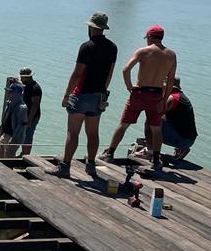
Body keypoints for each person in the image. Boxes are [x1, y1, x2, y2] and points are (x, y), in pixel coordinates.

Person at [101, 25, 177, 172]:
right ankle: (155, 159)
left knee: (123, 124)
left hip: (140, 93)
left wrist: (129, 87)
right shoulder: (171, 55)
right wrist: (164, 98)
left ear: (149, 36)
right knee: (156, 128)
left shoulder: (143, 51)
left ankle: (109, 153)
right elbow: (171, 79)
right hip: (157, 94)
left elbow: (126, 69)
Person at [58, 11, 118, 178]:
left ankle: (65, 167)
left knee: (72, 132)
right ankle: (90, 165)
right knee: (93, 133)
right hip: (98, 95)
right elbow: (110, 73)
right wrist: (103, 93)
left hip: (81, 94)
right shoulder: (112, 47)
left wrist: (66, 95)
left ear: (91, 27)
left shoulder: (86, 46)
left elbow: (77, 74)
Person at [161, 77, 196, 163]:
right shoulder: (180, 96)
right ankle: (181, 149)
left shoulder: (173, 98)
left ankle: (149, 150)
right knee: (159, 120)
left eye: (163, 84)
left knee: (153, 122)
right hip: (188, 139)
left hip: (183, 140)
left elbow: (157, 113)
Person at [0, 78, 27, 158]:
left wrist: (14, 138)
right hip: (4, 134)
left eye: (10, 92)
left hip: (13, 137)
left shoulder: (22, 108)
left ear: (16, 93)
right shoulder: (9, 104)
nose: (8, 93)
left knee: (8, 159)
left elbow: (21, 126)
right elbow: (5, 119)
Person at [18, 67, 42, 156]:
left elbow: (35, 105)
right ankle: (23, 153)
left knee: (28, 136)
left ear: (27, 77)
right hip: (26, 115)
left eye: (22, 77)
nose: (21, 78)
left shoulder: (35, 88)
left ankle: (26, 155)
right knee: (23, 135)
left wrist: (29, 119)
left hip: (32, 116)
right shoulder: (27, 86)